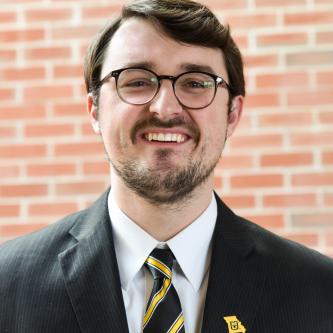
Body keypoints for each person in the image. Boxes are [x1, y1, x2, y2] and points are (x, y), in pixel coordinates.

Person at [1, 0, 333, 332]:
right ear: (94, 110)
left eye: (196, 83)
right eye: (137, 81)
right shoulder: (8, 284)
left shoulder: (319, 292)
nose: (164, 108)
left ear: (232, 114)